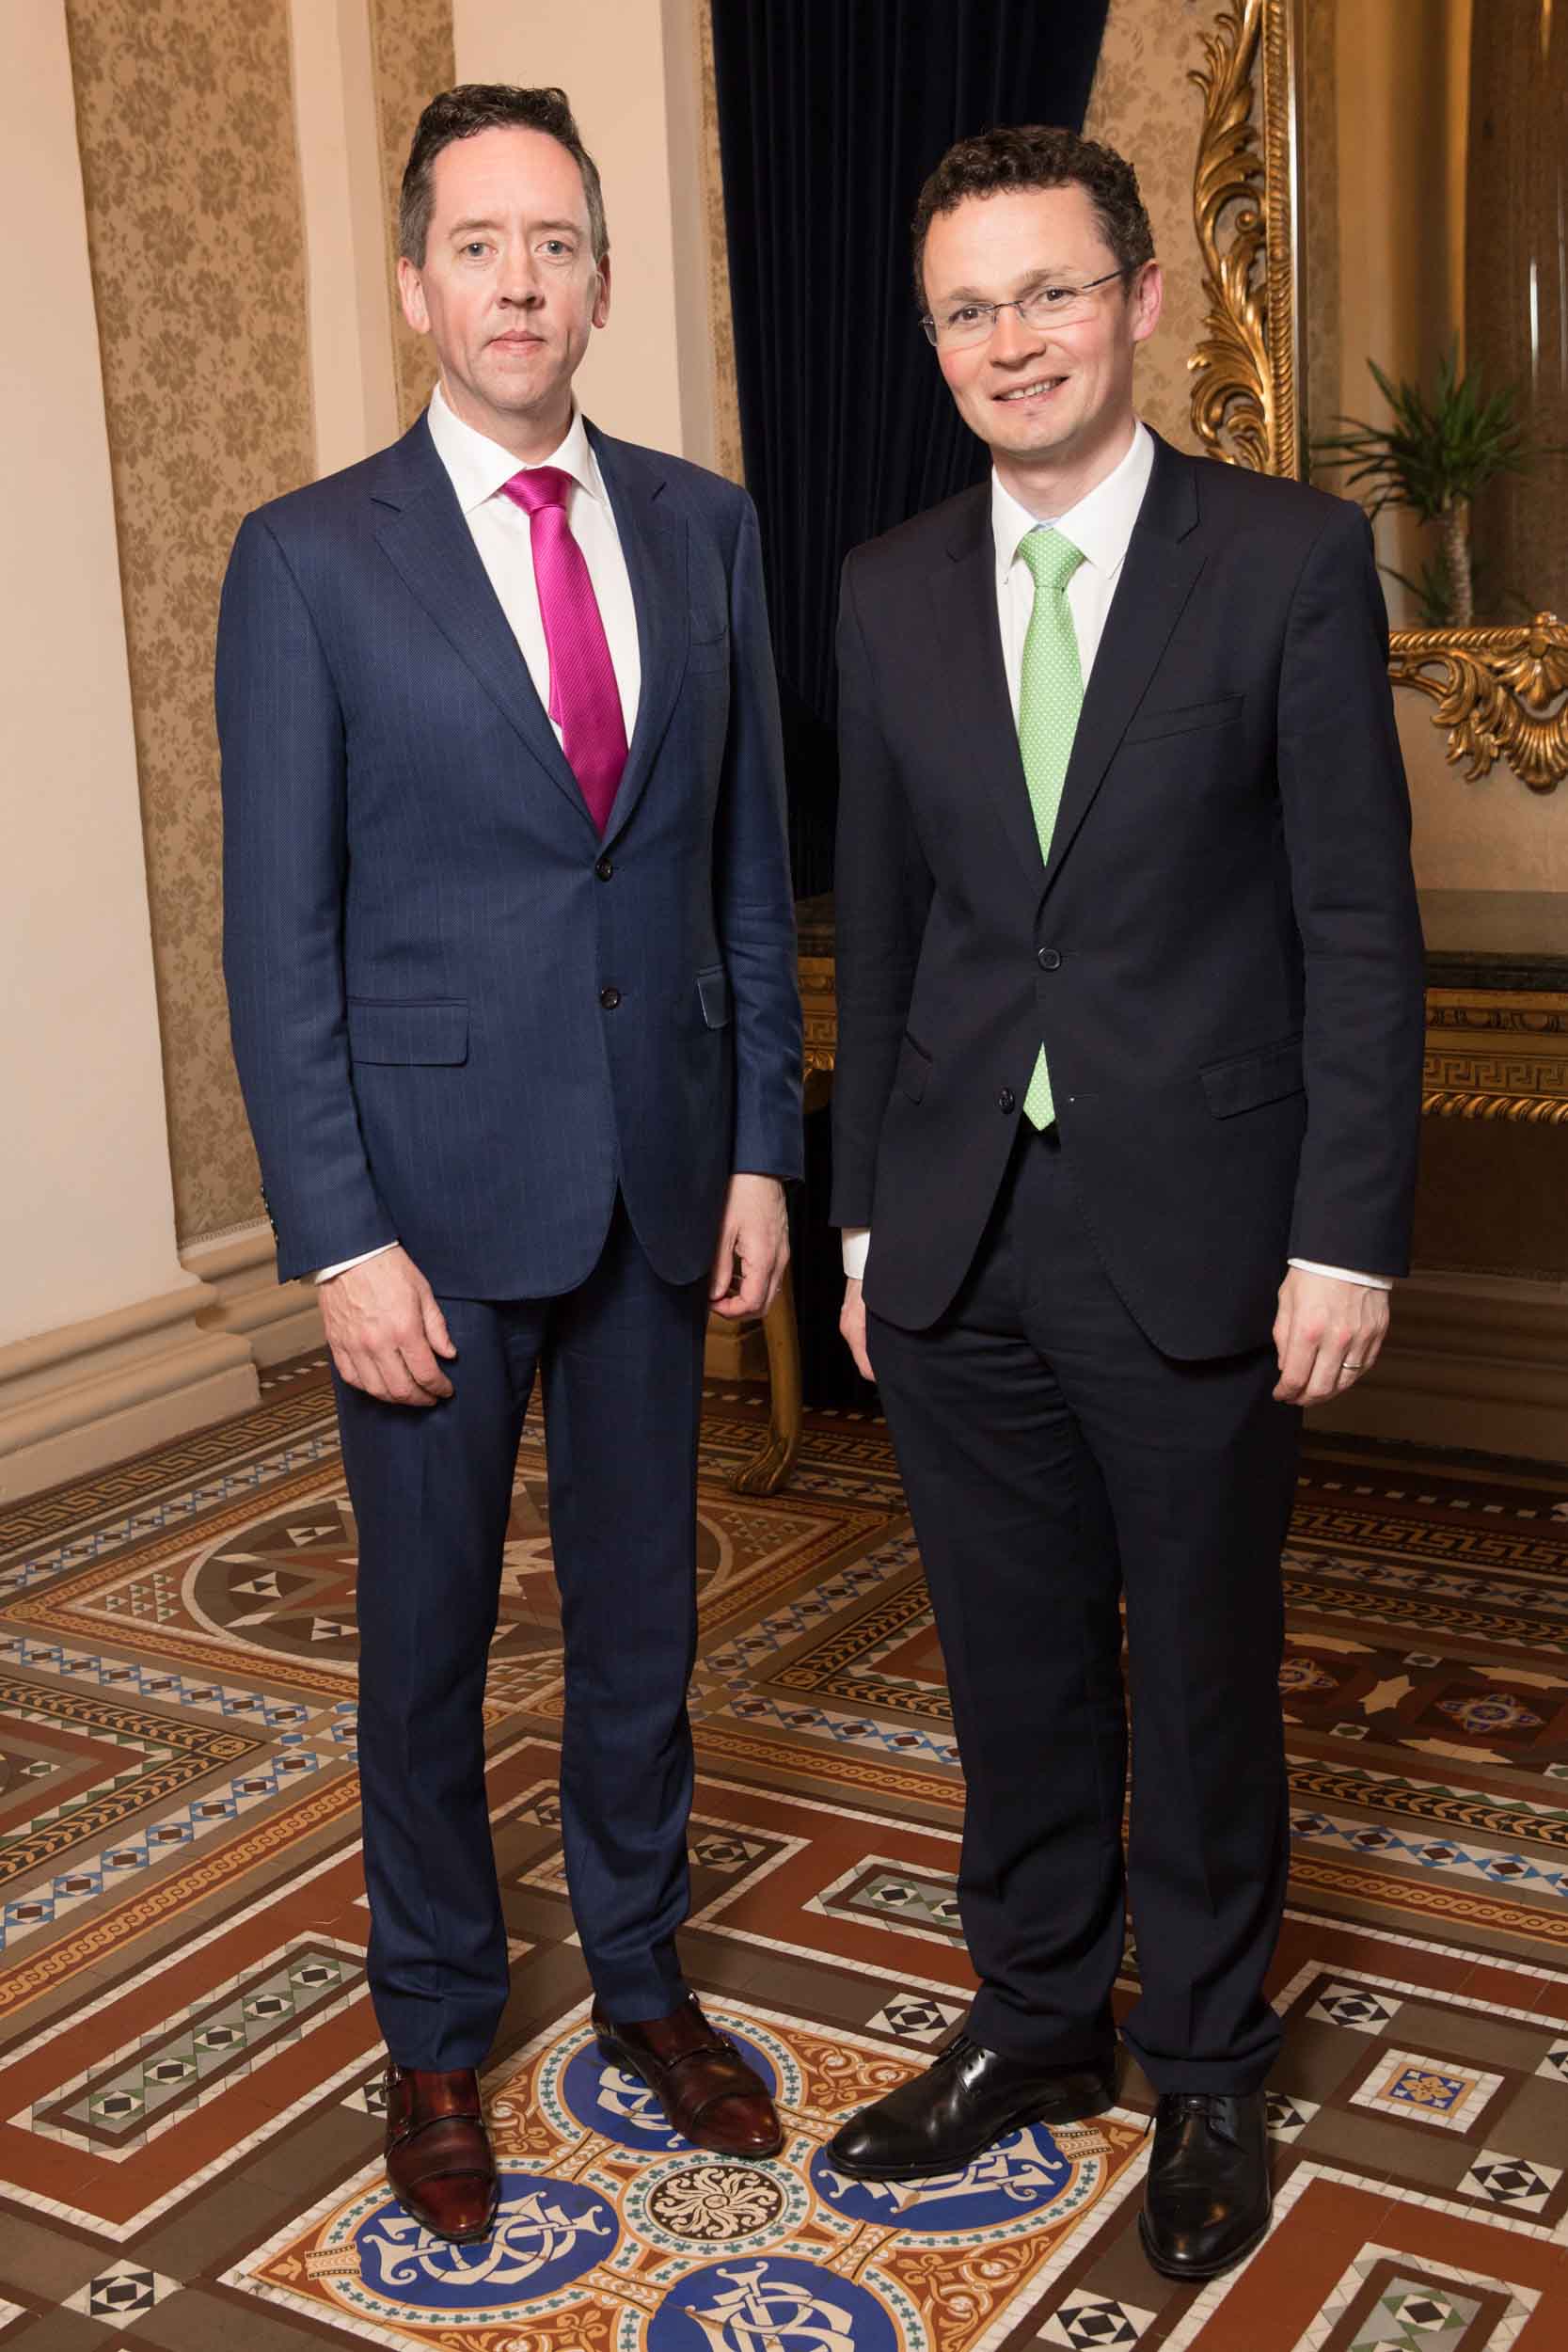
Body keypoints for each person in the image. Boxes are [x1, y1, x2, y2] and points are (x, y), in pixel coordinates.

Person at [826, 125, 1423, 2281]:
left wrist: (1345, 1231)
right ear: (937, 341)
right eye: (970, 308)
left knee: (1202, 1670)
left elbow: (1356, 921)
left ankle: (1207, 2060)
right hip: (958, 1229)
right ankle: (1033, 2014)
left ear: (1142, 299)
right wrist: (866, 1227)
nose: (1015, 340)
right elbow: (885, 931)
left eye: (1052, 291)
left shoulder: (1287, 561)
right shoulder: (886, 586)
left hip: (1204, 1228)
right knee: (1010, 1665)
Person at [218, 84, 801, 2246]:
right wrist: (336, 1233)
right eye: (479, 245)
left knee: (644, 1621)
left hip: (661, 1177)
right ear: (416, 285)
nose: (521, 282)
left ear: (603, 282)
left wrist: (764, 1146)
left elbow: (743, 870)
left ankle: (642, 1975)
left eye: (555, 243)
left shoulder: (705, 528)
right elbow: (275, 933)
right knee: (428, 1645)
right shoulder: (307, 558)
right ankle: (438, 2030)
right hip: (428, 1210)